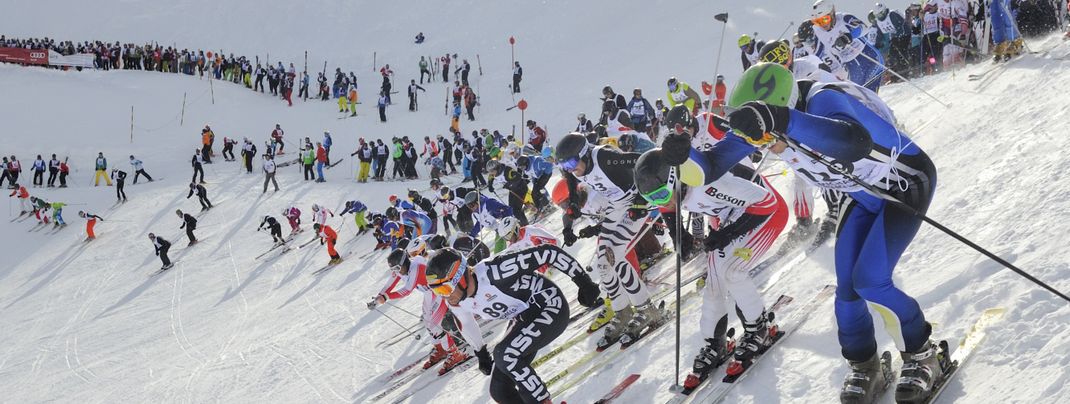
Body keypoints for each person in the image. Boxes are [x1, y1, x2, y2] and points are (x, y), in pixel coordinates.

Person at [697, 62, 941, 403]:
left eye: (765, 136)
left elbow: (852, 140)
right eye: (758, 138)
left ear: (783, 107)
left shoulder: (821, 99)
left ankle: (922, 352)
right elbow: (709, 167)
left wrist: (781, 121)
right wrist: (673, 162)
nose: (762, 145)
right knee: (846, 293)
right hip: (862, 197)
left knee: (871, 280)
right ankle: (865, 364)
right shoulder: (768, 129)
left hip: (904, 186)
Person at [634, 140, 788, 387]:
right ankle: (714, 342)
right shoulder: (674, 190)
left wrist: (728, 234)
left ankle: (759, 328)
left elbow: (767, 203)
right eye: (652, 199)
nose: (662, 202)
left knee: (733, 272)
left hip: (766, 213)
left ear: (676, 179)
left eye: (662, 194)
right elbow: (668, 206)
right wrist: (679, 238)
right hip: (728, 216)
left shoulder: (709, 183)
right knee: (714, 280)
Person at [424, 244, 600, 403]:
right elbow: (466, 323)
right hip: (523, 317)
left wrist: (584, 283)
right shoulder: (456, 300)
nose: (444, 296)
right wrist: (481, 352)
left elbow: (548, 252)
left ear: (460, 276)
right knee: (499, 391)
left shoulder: (495, 271)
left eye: (445, 288)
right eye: (437, 291)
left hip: (550, 305)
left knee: (505, 354)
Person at [554, 132, 667, 348]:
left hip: (636, 203)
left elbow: (643, 161)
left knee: (615, 254)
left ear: (584, 153)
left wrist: (641, 199)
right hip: (617, 205)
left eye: (570, 162)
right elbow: (570, 178)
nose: (569, 169)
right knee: (603, 263)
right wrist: (575, 203)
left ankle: (646, 309)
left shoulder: (605, 158)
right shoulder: (574, 169)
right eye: (563, 165)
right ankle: (622, 311)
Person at [371, 237, 469, 374]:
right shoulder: (402, 269)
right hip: (430, 294)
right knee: (428, 324)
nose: (397, 271)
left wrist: (386, 297)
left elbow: (406, 290)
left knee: (435, 324)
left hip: (438, 291)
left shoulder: (415, 268)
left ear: (404, 262)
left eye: (398, 268)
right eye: (394, 269)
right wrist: (379, 296)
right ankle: (440, 348)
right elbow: (390, 283)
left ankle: (455, 353)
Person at [809, 0, 886, 92]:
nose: (823, 25)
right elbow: (818, 53)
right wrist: (821, 66)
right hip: (852, 66)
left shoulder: (844, 18)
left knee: (869, 92)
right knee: (859, 97)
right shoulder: (818, 33)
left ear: (832, 14)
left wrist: (849, 36)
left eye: (825, 19)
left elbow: (864, 28)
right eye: (818, 22)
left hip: (869, 57)